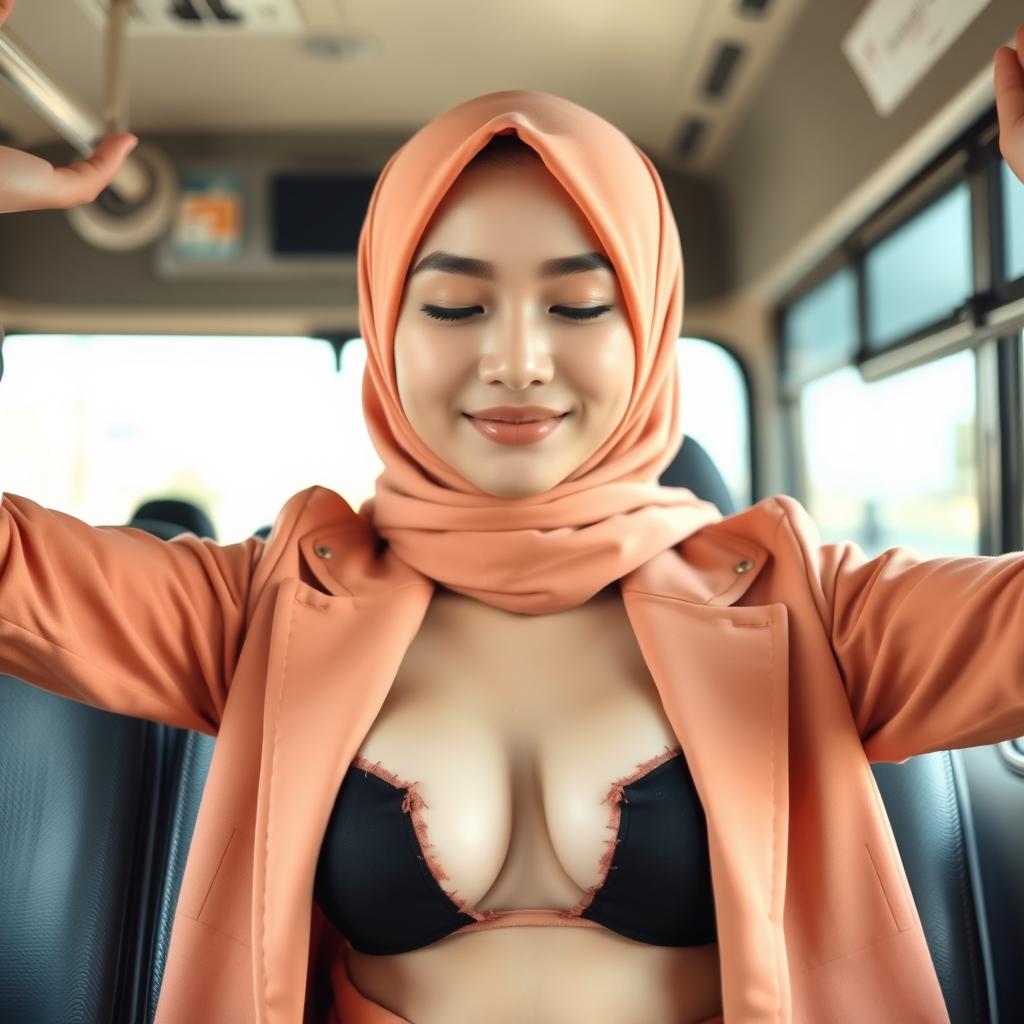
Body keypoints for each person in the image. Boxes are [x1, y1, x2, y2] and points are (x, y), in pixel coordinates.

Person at [2, 0, 1024, 1017]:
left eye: (579, 305)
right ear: (385, 326)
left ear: (651, 326)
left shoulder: (806, 606)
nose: (517, 361)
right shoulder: (265, 604)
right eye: (453, 306)